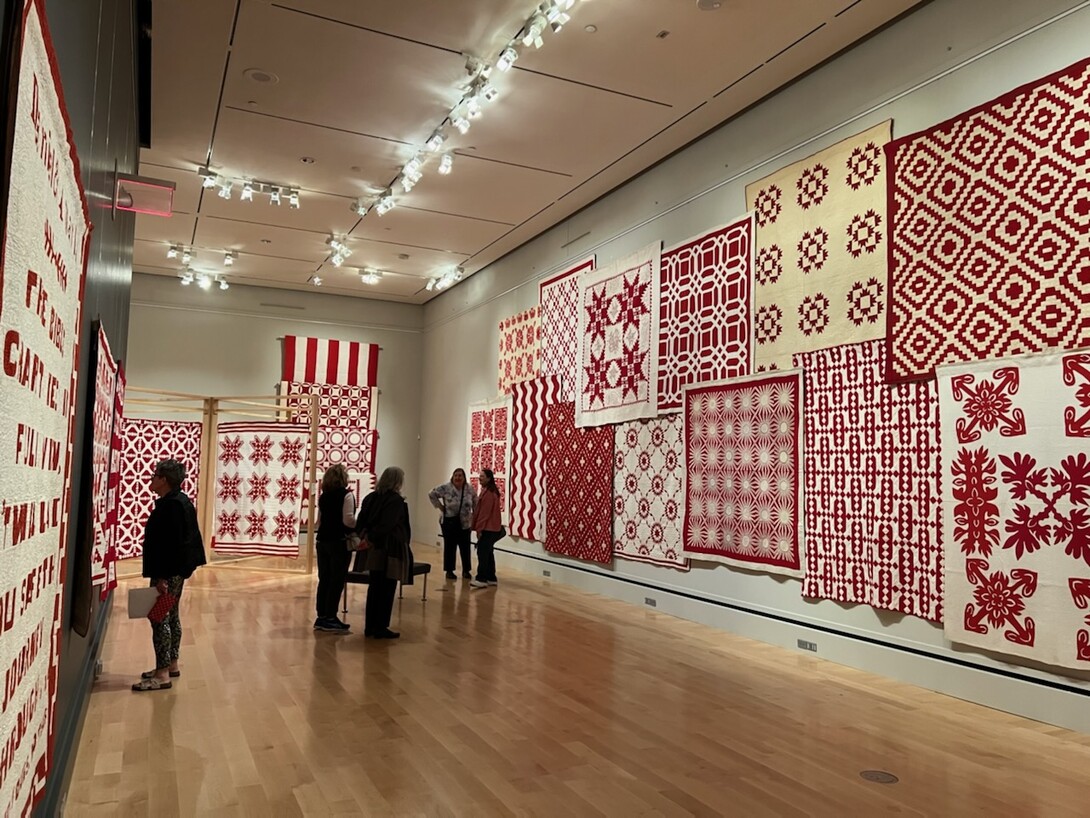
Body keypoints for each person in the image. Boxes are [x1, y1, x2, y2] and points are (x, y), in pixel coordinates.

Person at [132, 458, 205, 691]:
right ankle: (171, 664)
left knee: (159, 617)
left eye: (155, 475)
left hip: (168, 573)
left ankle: (162, 673)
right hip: (176, 572)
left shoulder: (171, 506)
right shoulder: (180, 501)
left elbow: (170, 545)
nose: (151, 479)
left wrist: (162, 577)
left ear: (164, 480)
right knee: (171, 615)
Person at [356, 466, 413, 639]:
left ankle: (370, 626)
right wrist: (372, 538)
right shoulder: (395, 501)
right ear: (397, 481)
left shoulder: (371, 497)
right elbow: (388, 524)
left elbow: (361, 521)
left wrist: (365, 538)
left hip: (373, 548)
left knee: (375, 586)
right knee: (387, 587)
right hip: (389, 548)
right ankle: (380, 626)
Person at [314, 464, 356, 633]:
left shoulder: (323, 496)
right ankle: (331, 617)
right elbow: (348, 520)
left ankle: (322, 616)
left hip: (322, 541)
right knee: (336, 580)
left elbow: (319, 522)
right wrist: (360, 525)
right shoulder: (346, 495)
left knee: (324, 579)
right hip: (338, 542)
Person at [428, 468, 476, 580]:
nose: (458, 478)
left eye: (460, 476)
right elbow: (431, 494)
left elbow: (475, 501)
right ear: (452, 477)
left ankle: (466, 570)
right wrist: (440, 507)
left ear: (464, 478)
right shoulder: (446, 487)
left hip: (464, 523)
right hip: (449, 522)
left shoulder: (469, 489)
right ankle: (449, 571)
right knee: (450, 546)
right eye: (456, 475)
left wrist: (475, 516)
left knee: (465, 547)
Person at [470, 468, 503, 589]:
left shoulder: (489, 493)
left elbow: (485, 513)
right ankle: (491, 577)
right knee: (488, 552)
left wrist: (479, 529)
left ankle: (482, 578)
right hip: (492, 528)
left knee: (482, 552)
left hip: (488, 528)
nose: (480, 478)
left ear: (489, 478)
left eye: (482, 476)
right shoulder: (489, 491)